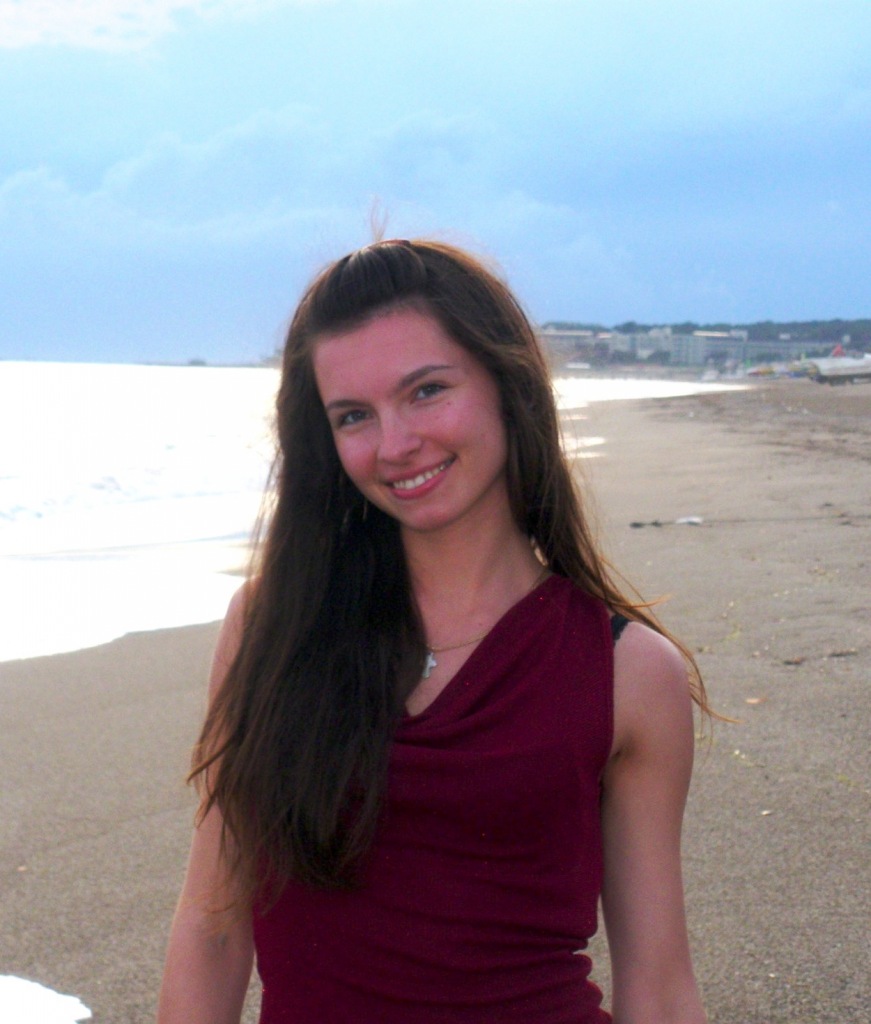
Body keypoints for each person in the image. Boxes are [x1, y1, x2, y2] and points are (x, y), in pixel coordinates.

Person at [157, 239, 710, 1023]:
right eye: (354, 416)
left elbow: (658, 985)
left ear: (506, 384)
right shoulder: (270, 629)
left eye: (425, 391)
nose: (394, 445)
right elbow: (212, 925)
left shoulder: (628, 671)